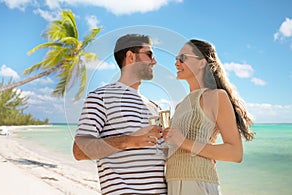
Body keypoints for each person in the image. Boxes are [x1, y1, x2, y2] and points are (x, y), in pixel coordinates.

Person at [72, 34, 167, 195]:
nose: (154, 61)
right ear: (130, 56)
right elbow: (79, 151)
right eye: (149, 55)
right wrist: (129, 140)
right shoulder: (101, 97)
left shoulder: (155, 107)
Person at [163, 39, 255, 195]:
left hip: (198, 183)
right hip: (171, 182)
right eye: (176, 59)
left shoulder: (216, 96)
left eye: (183, 58)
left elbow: (235, 153)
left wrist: (183, 142)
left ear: (201, 63)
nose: (176, 63)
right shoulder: (180, 105)